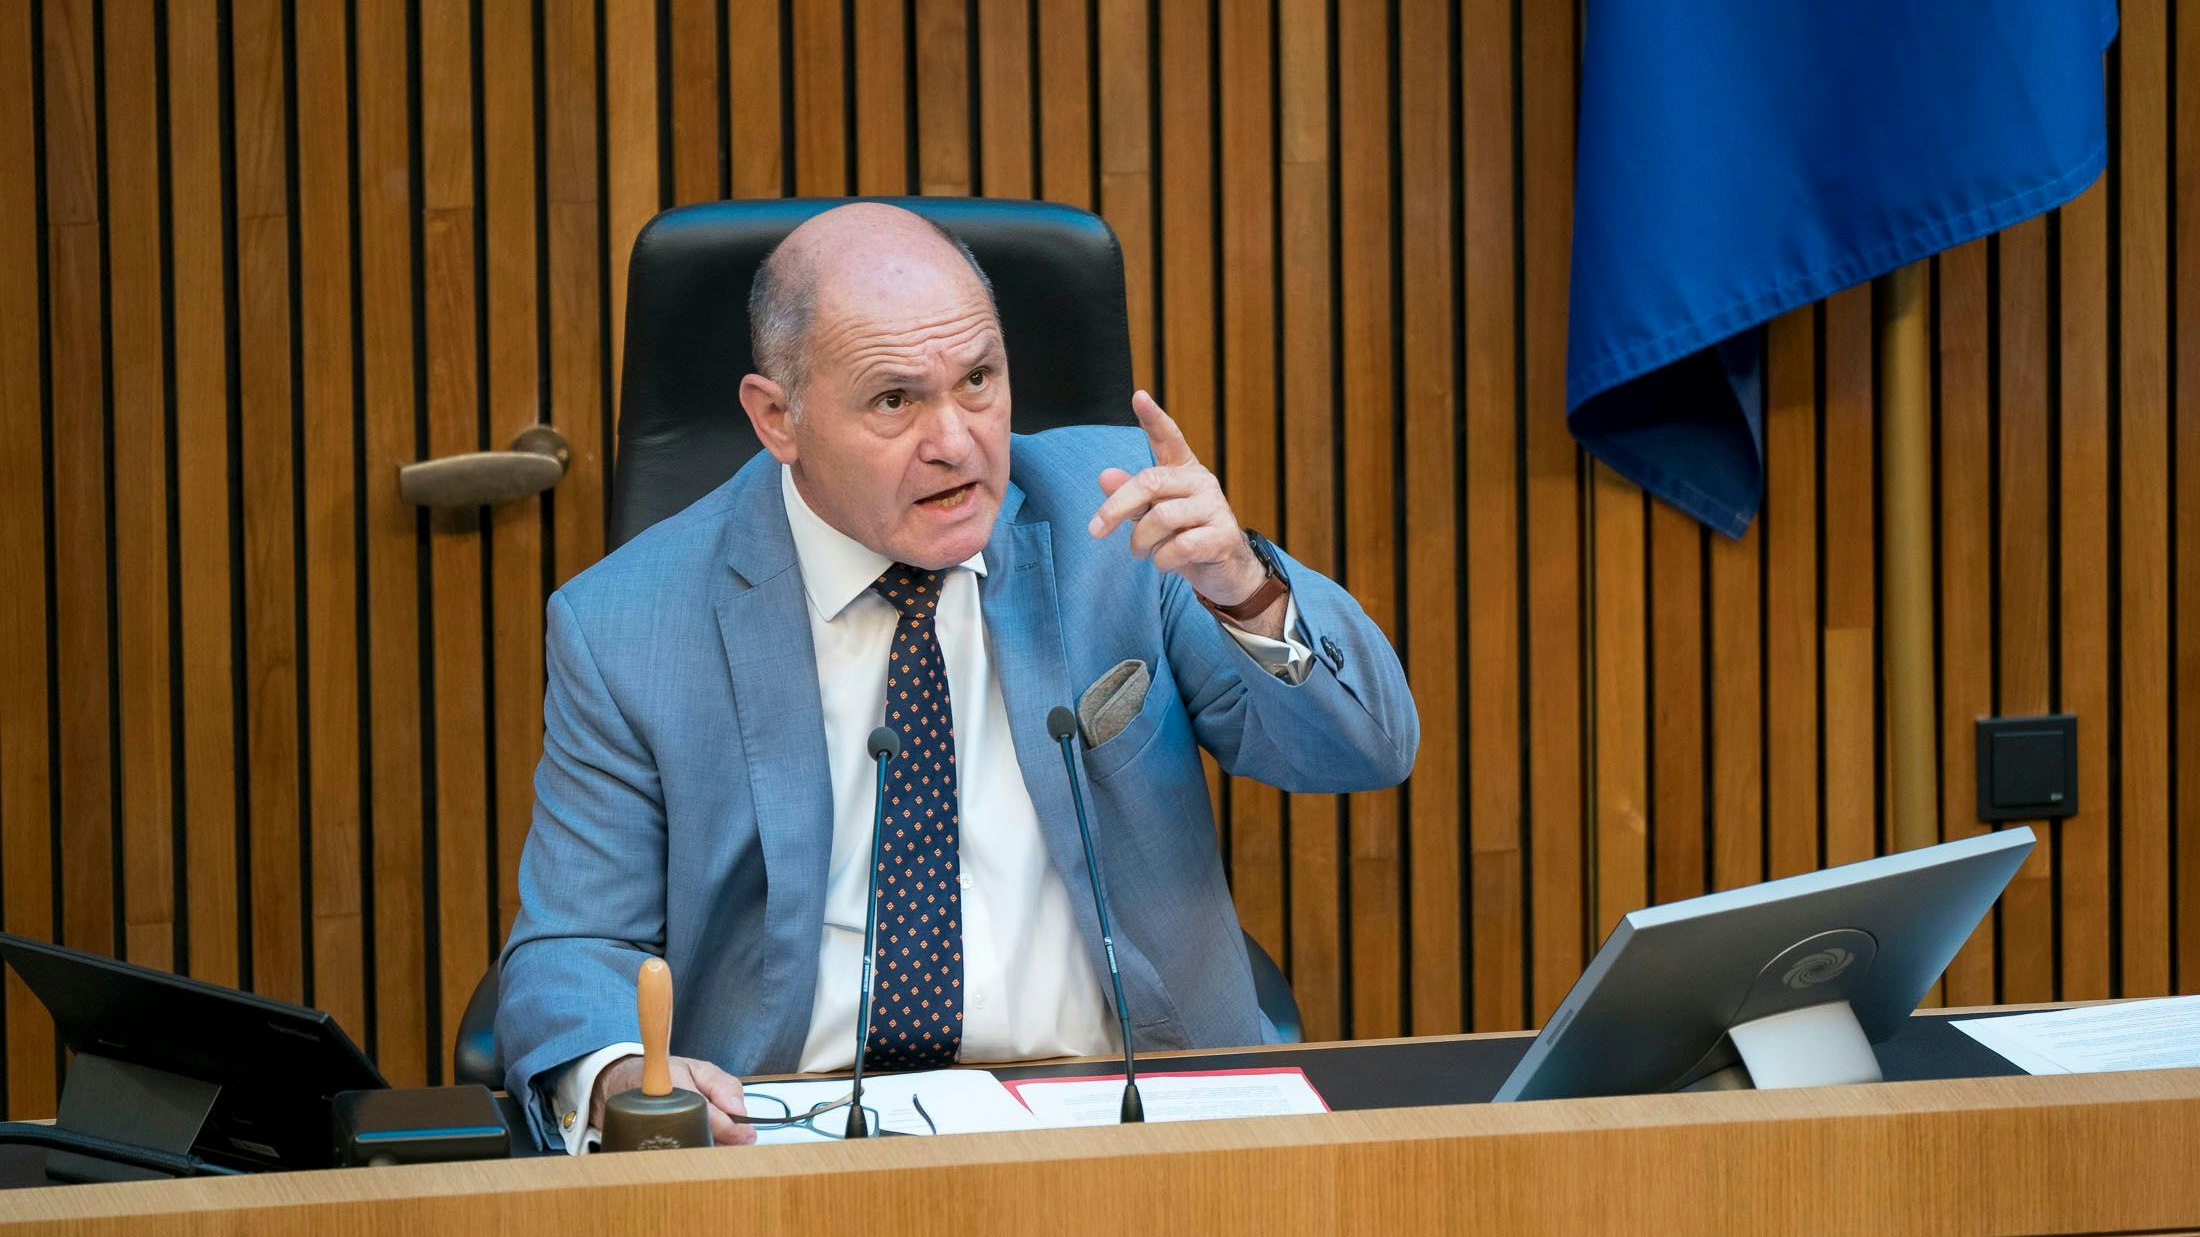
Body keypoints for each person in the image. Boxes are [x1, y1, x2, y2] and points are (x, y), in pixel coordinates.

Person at [495, 203, 1418, 1153]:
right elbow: (574, 944)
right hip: (793, 1129)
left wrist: (1244, 587)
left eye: (978, 379)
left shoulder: (1120, 520)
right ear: (778, 418)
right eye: (894, 401)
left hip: (1118, 1116)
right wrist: (619, 1075)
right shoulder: (628, 624)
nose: (956, 441)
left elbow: (1368, 750)